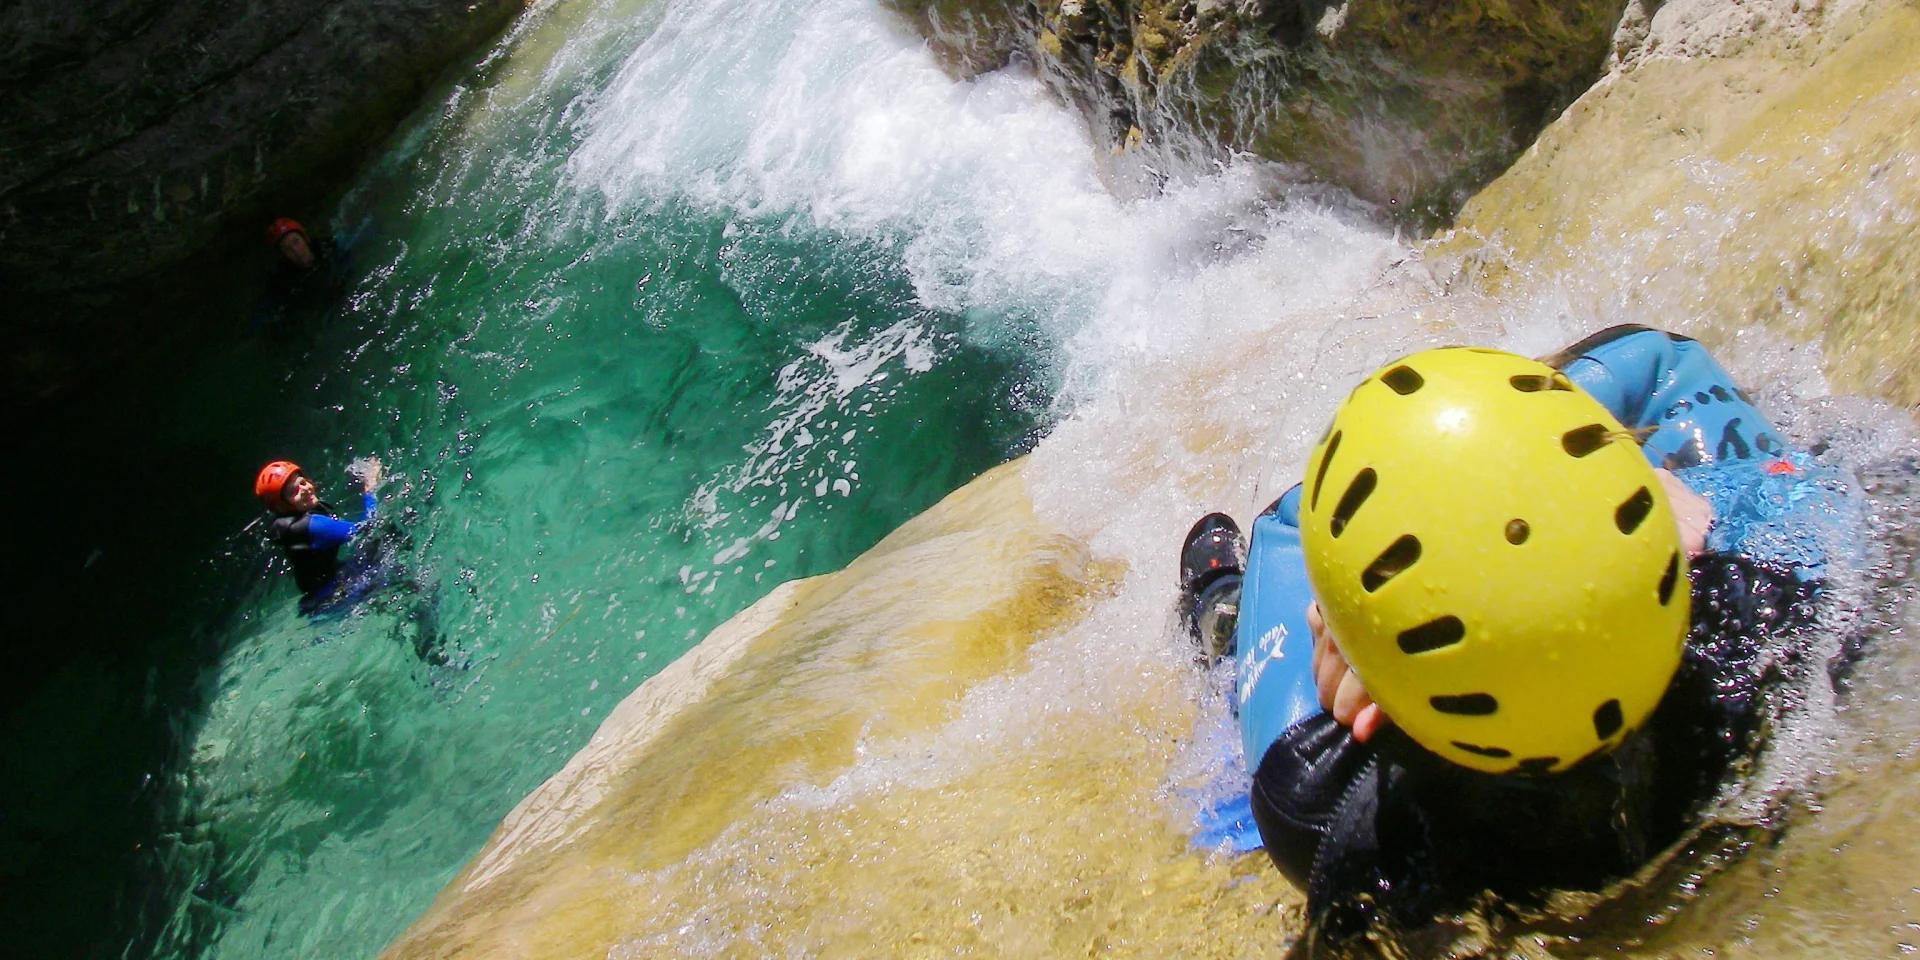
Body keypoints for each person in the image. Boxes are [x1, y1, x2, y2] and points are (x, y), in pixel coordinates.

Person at [1176, 326, 1855, 950]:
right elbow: (1865, 485)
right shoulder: (1769, 620)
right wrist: (1650, 494)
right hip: (1713, 574)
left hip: (1371, 717)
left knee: (1304, 533)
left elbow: (1299, 524)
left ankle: (1222, 608)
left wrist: (1352, 630)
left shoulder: (1324, 804)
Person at [249, 217, 355, 334]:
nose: (296, 251)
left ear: (305, 239)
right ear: (284, 256)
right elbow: (263, 312)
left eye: (296, 242)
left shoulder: (331, 249)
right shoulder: (283, 282)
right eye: (287, 249)